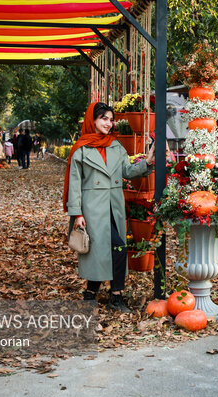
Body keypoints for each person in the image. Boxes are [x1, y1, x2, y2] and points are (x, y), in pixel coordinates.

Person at [63, 102, 155, 312]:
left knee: (113, 248)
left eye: (111, 119)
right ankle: (113, 296)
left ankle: (96, 295)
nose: (108, 123)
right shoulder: (81, 149)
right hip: (92, 209)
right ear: (92, 120)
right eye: (103, 118)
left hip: (114, 206)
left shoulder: (116, 146)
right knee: (102, 250)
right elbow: (74, 184)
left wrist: (147, 162)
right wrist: (77, 213)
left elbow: (127, 171)